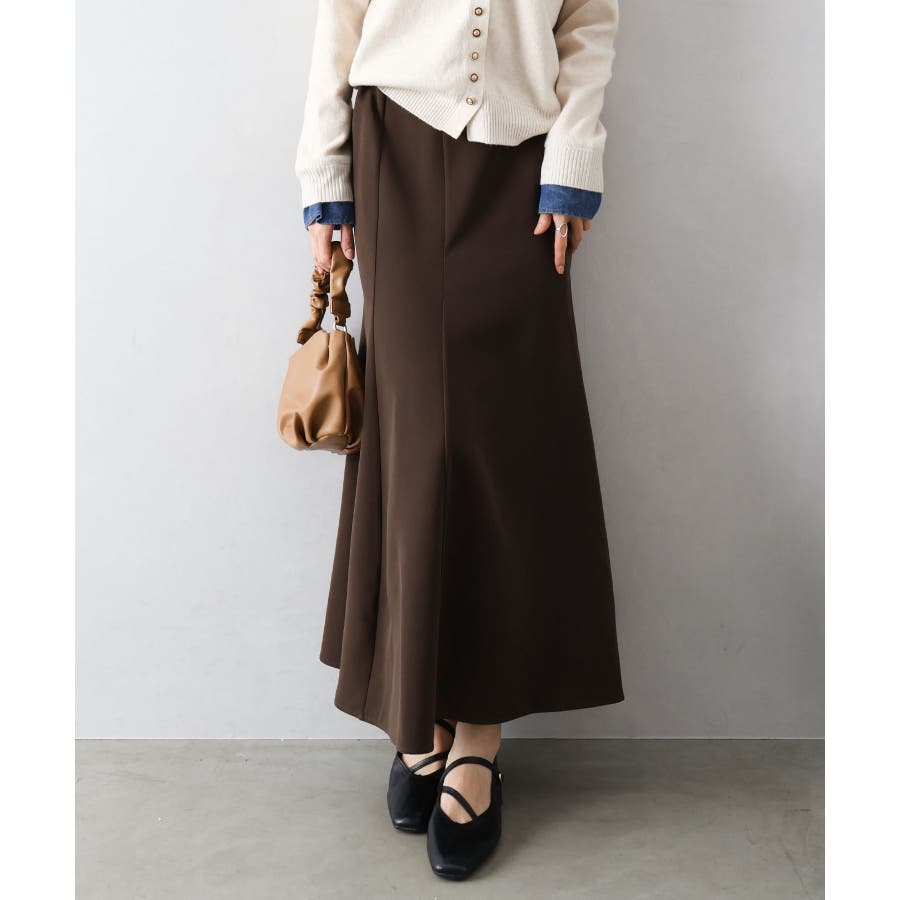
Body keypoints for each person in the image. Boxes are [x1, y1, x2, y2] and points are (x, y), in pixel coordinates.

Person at [296, 0, 624, 880]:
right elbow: (340, 21)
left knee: (507, 438)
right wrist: (325, 174)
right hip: (396, 146)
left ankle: (478, 733)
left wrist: (574, 158)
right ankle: (420, 713)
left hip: (522, 164)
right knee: (414, 437)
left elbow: (588, 21)